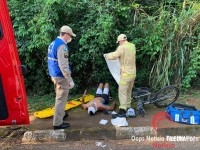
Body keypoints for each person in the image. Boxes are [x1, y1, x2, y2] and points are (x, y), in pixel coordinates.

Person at [48, 25, 76, 129]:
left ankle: (61, 114)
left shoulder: (53, 43)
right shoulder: (62, 46)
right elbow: (63, 66)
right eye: (70, 35)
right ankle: (58, 123)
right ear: (65, 34)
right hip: (60, 76)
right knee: (61, 98)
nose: (70, 38)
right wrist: (70, 80)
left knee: (59, 96)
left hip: (54, 74)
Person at [104, 34, 136, 118]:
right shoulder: (132, 46)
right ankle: (128, 107)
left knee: (122, 92)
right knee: (129, 91)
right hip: (133, 73)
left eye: (119, 42)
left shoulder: (122, 47)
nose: (119, 43)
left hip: (125, 74)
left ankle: (122, 111)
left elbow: (115, 55)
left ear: (121, 41)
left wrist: (106, 56)